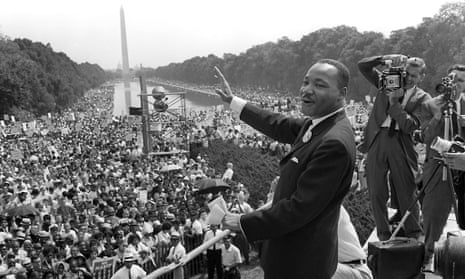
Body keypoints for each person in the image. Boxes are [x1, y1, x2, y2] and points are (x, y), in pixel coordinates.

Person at [215, 59, 356, 279]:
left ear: (341, 93)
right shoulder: (318, 124)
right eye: (306, 82)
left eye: (319, 85)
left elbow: (299, 209)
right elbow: (277, 124)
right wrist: (233, 101)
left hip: (301, 263)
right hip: (293, 255)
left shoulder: (333, 142)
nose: (307, 90)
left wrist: (243, 222)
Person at [357, 54, 431, 241]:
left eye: (414, 76)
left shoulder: (424, 98)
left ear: (421, 77)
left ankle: (414, 233)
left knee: (407, 189)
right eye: (407, 73)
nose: (408, 78)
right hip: (377, 138)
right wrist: (384, 59)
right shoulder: (387, 82)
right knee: (376, 190)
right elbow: (363, 66)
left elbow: (410, 125)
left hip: (401, 142)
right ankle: (383, 233)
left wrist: (394, 103)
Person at [420, 64, 465, 271]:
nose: (456, 84)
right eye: (452, 79)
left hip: (462, 167)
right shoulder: (431, 104)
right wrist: (438, 116)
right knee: (434, 212)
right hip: (438, 166)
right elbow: (425, 137)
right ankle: (429, 255)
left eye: (461, 81)